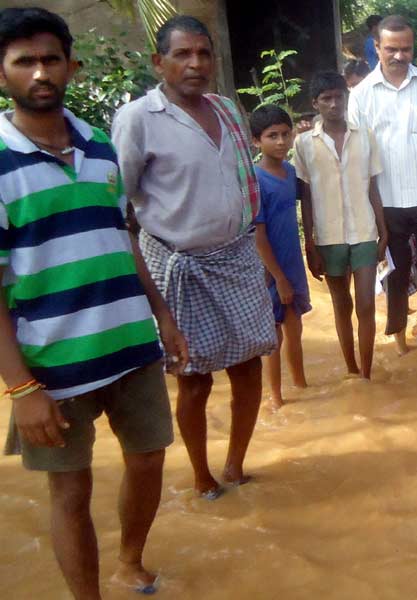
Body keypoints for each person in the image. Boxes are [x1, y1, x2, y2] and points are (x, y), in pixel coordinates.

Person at [0, 8, 187, 596]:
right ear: (3, 72)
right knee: (71, 491)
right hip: (52, 366)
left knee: (151, 458)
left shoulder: (100, 147)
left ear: (70, 66)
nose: (39, 73)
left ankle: (130, 559)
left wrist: (162, 315)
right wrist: (21, 388)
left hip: (132, 344)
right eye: (23, 61)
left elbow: (123, 239)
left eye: (50, 59)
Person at [112, 15, 277, 498]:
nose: (195, 63)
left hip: (237, 258)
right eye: (183, 54)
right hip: (178, 263)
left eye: (204, 53)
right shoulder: (138, 119)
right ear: (158, 62)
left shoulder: (225, 109)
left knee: (248, 368)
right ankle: (202, 475)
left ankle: (235, 465)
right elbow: (120, 205)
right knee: (193, 379)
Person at [348, 16, 417, 359]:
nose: (398, 55)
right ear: (376, 48)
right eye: (391, 48)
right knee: (393, 276)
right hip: (386, 207)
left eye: (405, 48)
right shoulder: (362, 95)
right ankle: (401, 345)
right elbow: (358, 160)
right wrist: (371, 216)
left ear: (412, 48)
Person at [297, 71, 387, 379]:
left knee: (365, 304)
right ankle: (350, 366)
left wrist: (383, 232)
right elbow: (305, 197)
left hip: (364, 231)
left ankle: (366, 373)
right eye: (327, 99)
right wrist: (310, 243)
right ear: (316, 103)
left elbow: (373, 187)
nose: (334, 104)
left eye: (339, 97)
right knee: (341, 306)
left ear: (346, 98)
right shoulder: (304, 144)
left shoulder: (365, 136)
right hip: (328, 236)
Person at [249, 105, 311, 409]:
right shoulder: (255, 180)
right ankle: (275, 398)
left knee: (295, 326)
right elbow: (259, 237)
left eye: (286, 134)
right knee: (274, 336)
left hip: (291, 262)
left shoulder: (289, 172)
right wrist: (279, 277)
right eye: (272, 136)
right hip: (269, 270)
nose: (281, 141)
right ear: (256, 141)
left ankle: (300, 384)